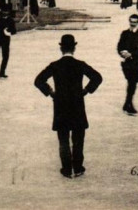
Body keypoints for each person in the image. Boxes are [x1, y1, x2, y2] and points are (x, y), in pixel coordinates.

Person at [34, 34, 102, 179]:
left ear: (61, 48)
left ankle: (66, 169)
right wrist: (85, 91)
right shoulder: (80, 64)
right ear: (74, 48)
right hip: (77, 103)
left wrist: (51, 92)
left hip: (60, 105)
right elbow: (97, 77)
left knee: (63, 138)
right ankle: (78, 167)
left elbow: (38, 80)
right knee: (78, 138)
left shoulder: (55, 65)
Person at [117, 15, 138, 116]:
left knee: (133, 82)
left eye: (135, 22)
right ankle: (129, 104)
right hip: (127, 63)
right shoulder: (124, 33)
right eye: (131, 22)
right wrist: (122, 52)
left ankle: (127, 104)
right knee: (131, 82)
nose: (132, 24)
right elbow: (119, 46)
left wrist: (131, 54)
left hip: (137, 62)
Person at [0, 9, 17, 78]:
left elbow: (14, 31)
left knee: (4, 56)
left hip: (4, 40)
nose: (5, 14)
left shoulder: (10, 20)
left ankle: (1, 72)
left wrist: (9, 32)